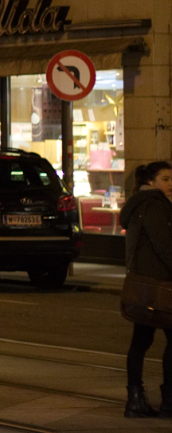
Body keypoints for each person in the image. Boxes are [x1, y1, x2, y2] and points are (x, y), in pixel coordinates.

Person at [120, 160, 172, 418]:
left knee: (141, 341)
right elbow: (165, 246)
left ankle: (136, 399)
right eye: (165, 179)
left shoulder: (143, 204)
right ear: (150, 182)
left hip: (146, 286)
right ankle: (168, 401)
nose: (171, 184)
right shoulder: (154, 206)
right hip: (160, 285)